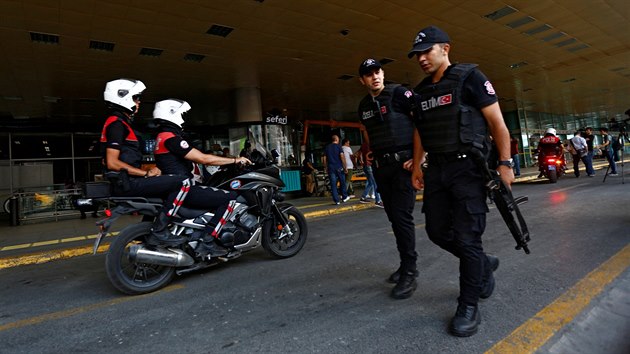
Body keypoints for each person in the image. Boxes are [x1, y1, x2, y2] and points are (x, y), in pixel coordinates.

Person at [407, 25, 511, 337]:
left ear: (446, 49)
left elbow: (497, 123)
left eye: (427, 51)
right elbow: (419, 131)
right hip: (437, 171)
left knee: (467, 239)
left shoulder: (472, 79)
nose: (422, 58)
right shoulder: (422, 91)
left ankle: (468, 305)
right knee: (438, 232)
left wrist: (505, 164)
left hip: (469, 170)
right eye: (417, 55)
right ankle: (481, 262)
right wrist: (417, 166)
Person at [152, 99, 252, 256]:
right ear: (171, 113)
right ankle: (208, 240)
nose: (183, 118)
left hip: (172, 188)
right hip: (184, 189)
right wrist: (235, 160)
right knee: (230, 198)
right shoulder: (172, 138)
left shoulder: (161, 137)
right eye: (181, 114)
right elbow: (203, 159)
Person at [357, 58, 418, 300]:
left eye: (378, 71)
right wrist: (370, 150)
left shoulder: (400, 94)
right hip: (382, 168)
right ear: (362, 80)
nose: (375, 76)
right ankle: (405, 265)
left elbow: (420, 123)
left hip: (404, 166)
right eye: (369, 74)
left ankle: (410, 272)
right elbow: (369, 131)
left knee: (402, 219)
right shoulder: (363, 106)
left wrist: (419, 159)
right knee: (394, 218)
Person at [100, 79, 189, 246]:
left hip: (126, 181)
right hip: (127, 183)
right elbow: (112, 162)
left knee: (163, 188)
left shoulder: (120, 123)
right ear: (122, 97)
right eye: (135, 97)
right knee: (181, 182)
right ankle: (160, 231)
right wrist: (146, 174)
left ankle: (148, 232)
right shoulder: (117, 124)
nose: (138, 102)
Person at [322, 135, 350, 205]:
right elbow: (342, 157)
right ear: (337, 139)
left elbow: (324, 159)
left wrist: (325, 167)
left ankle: (336, 200)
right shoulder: (338, 147)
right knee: (342, 182)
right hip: (339, 167)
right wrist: (345, 167)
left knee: (333, 184)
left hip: (331, 168)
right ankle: (344, 197)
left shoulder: (327, 147)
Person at [356, 140, 383, 208]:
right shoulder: (371, 144)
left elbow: (358, 153)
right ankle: (378, 200)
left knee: (370, 182)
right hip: (370, 165)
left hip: (365, 165)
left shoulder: (363, 144)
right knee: (375, 183)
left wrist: (361, 161)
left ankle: (363, 197)